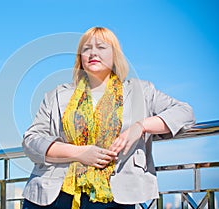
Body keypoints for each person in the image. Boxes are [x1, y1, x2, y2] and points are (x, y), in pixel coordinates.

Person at [21, 27, 195, 209]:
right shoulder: (56, 95)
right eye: (86, 48)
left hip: (115, 197)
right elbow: (31, 140)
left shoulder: (140, 91)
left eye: (101, 47)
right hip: (53, 196)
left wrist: (141, 126)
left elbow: (185, 112)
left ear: (115, 56)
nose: (93, 53)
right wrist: (79, 153)